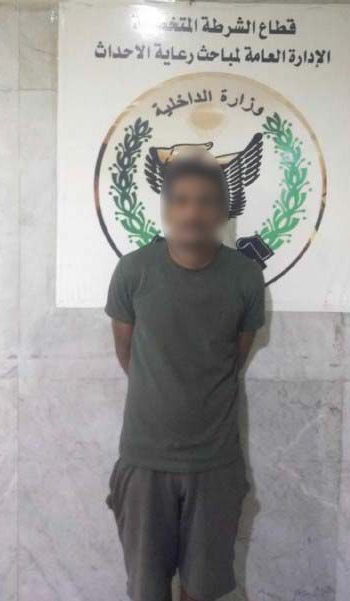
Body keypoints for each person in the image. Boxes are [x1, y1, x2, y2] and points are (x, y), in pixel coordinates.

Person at [104, 148, 266, 601]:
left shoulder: (245, 276)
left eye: (206, 201)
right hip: (145, 460)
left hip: (215, 463)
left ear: (223, 211)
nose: (193, 212)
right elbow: (127, 354)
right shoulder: (133, 271)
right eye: (181, 201)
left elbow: (234, 358)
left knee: (204, 590)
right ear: (166, 208)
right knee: (147, 590)